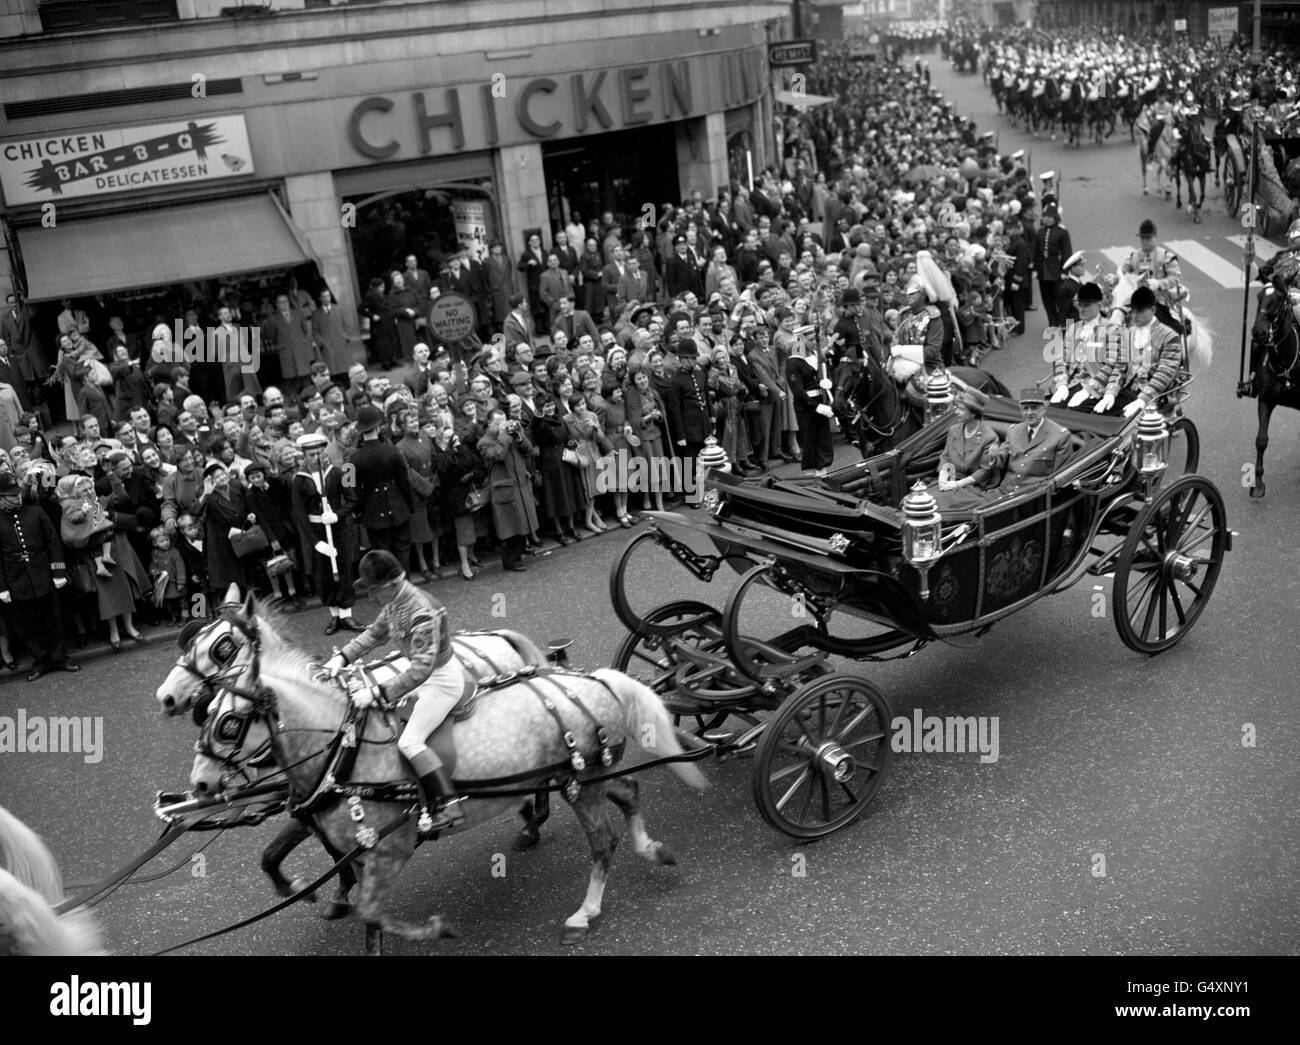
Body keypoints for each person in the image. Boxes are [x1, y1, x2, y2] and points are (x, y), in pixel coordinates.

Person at [325, 550, 466, 835]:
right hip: (419, 673)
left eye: (374, 591)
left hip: (440, 681)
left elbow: (421, 670)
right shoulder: (394, 600)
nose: (370, 597)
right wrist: (342, 658)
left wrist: (377, 694)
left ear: (391, 583)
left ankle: (450, 805)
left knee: (410, 742)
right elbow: (375, 633)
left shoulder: (421, 611)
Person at [0, 471, 78, 681]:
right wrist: (2, 587)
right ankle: (41, 661)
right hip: (17, 580)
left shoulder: (35, 512)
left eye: (17, 494)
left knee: (53, 617)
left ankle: (60, 658)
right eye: (11, 496)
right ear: (1, 498)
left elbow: (53, 542)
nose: (17, 498)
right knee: (29, 625)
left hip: (43, 574)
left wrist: (58, 571)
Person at [1092, 285, 1184, 417]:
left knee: (1122, 426)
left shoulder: (1170, 337)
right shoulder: (1129, 334)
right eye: (1133, 310)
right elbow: (1120, 368)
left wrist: (1143, 399)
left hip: (1155, 395)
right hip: (1127, 390)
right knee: (1096, 413)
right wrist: (1110, 392)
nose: (1134, 315)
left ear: (1152, 310)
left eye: (1140, 311)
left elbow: (1165, 372)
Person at [348, 404, 414, 562]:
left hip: (372, 510)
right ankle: (404, 582)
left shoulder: (353, 458)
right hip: (397, 504)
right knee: (402, 548)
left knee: (382, 553)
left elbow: (349, 487)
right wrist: (408, 505)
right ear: (377, 427)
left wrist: (358, 511)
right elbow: (404, 481)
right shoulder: (393, 450)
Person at [476, 408, 537, 571]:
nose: (503, 426)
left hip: (520, 485)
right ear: (490, 424)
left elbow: (529, 450)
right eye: (498, 423)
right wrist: (504, 436)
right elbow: (497, 455)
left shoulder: (511, 435)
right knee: (511, 527)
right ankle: (510, 561)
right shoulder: (484, 442)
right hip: (505, 489)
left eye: (505, 421)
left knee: (522, 524)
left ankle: (518, 555)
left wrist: (519, 436)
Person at [992, 387, 1073, 494]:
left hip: (1033, 497)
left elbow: (1059, 477)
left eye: (1034, 408)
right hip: (1005, 492)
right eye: (1025, 408)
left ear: (1044, 408)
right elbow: (1000, 461)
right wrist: (992, 455)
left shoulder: (1060, 436)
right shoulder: (1013, 431)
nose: (1029, 413)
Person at [931, 388, 1002, 510]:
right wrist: (943, 478)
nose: (956, 412)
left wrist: (957, 484)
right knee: (925, 498)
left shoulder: (989, 437)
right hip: (952, 478)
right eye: (956, 408)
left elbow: (984, 471)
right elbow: (946, 457)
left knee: (941, 503)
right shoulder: (954, 430)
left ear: (973, 413)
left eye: (961, 409)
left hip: (972, 487)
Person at [1056, 282, 1118, 409]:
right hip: (1071, 384)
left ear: (1099, 305)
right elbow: (1062, 358)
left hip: (1096, 388)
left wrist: (1088, 390)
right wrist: (1062, 383)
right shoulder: (1073, 329)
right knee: (1051, 410)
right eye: (1080, 305)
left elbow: (1111, 365)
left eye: (1087, 305)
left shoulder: (1112, 330)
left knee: (1073, 414)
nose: (1082, 309)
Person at [1122, 219, 1185, 334]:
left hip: (1158, 302)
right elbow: (1123, 275)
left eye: (1148, 238)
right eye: (1142, 238)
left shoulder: (1166, 256)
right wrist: (1116, 278)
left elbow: (1175, 277)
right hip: (1135, 302)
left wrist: (1159, 284)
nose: (1145, 241)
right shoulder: (1133, 256)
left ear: (1155, 237)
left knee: (1174, 330)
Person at [1032, 204, 1073, 327]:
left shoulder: (1062, 232)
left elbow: (1067, 252)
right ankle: (1052, 322)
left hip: (1056, 269)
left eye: (1049, 216)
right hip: (1043, 270)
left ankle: (1062, 321)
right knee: (1047, 299)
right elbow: (1036, 251)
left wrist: (1065, 271)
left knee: (1059, 298)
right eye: (1045, 216)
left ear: (1055, 218)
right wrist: (1035, 268)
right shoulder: (1040, 232)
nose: (1046, 219)